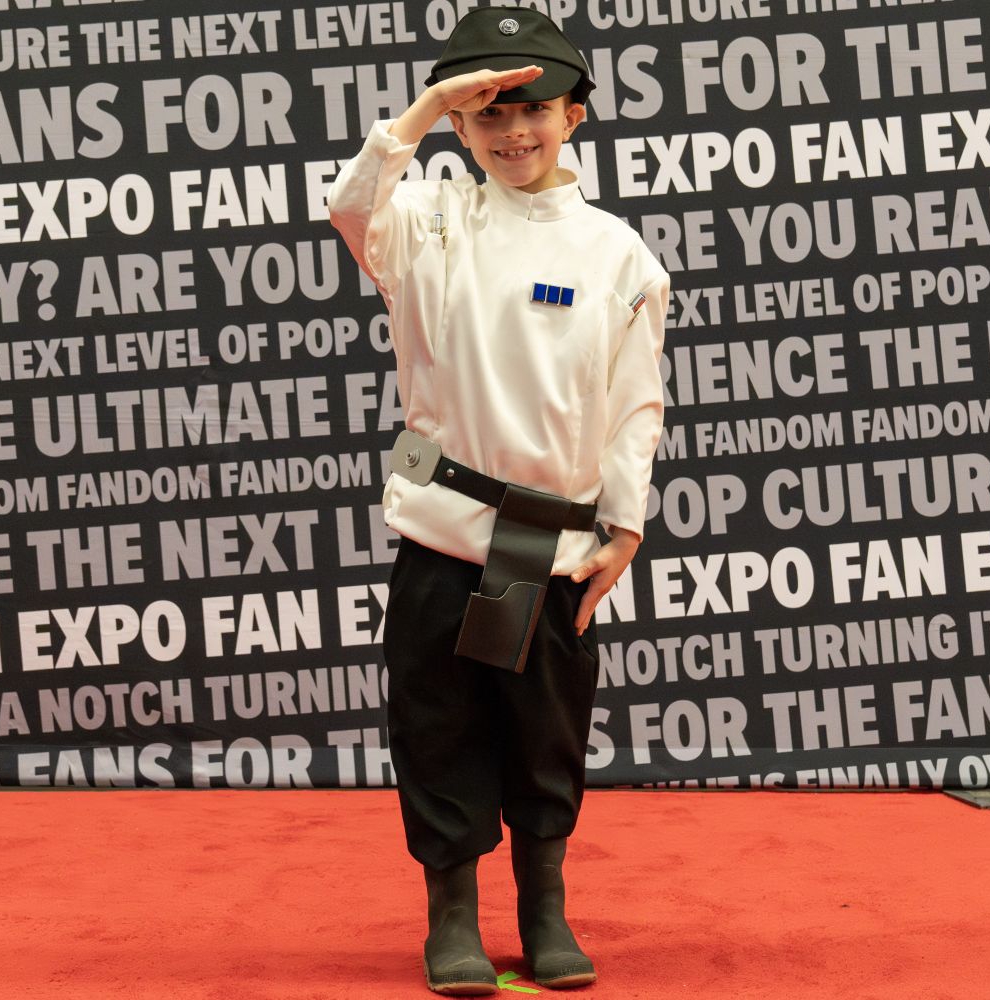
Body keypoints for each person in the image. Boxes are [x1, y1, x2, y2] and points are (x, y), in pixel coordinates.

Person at [328, 6, 670, 995]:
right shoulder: (430, 217)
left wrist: (628, 523)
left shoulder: (619, 254)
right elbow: (352, 206)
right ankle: (451, 918)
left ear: (575, 116)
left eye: (534, 110)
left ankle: (545, 908)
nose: (513, 131)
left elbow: (634, 402)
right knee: (438, 727)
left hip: (548, 545)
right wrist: (423, 113)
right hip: (444, 532)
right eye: (488, 114)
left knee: (545, 731)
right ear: (465, 127)